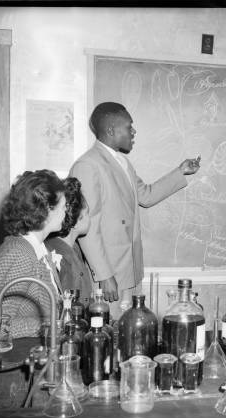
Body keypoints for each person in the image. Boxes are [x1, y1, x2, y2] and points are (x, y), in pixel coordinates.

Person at [69, 102, 201, 317]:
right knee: (108, 337)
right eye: (129, 127)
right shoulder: (88, 165)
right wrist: (104, 275)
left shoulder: (122, 162)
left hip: (129, 270)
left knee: (127, 334)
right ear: (111, 130)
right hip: (109, 275)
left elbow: (146, 195)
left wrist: (181, 172)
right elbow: (87, 226)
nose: (134, 131)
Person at [0, 170, 66, 338]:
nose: (65, 212)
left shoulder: (37, 248)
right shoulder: (20, 254)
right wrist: (48, 325)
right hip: (15, 357)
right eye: (63, 207)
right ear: (47, 209)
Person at [45, 177, 93, 308]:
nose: (90, 218)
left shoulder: (74, 247)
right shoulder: (58, 255)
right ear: (76, 222)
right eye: (88, 213)